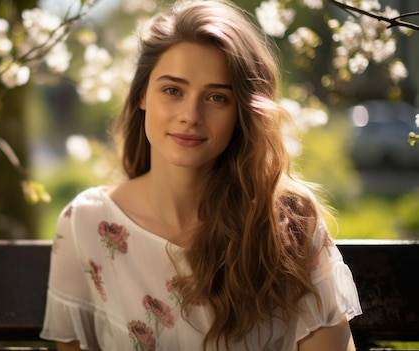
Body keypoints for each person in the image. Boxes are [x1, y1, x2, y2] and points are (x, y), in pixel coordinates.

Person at [39, 0, 362, 350]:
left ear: (242, 112)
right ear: (143, 94)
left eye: (217, 98)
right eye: (173, 90)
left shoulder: (289, 222)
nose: (191, 115)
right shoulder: (85, 224)